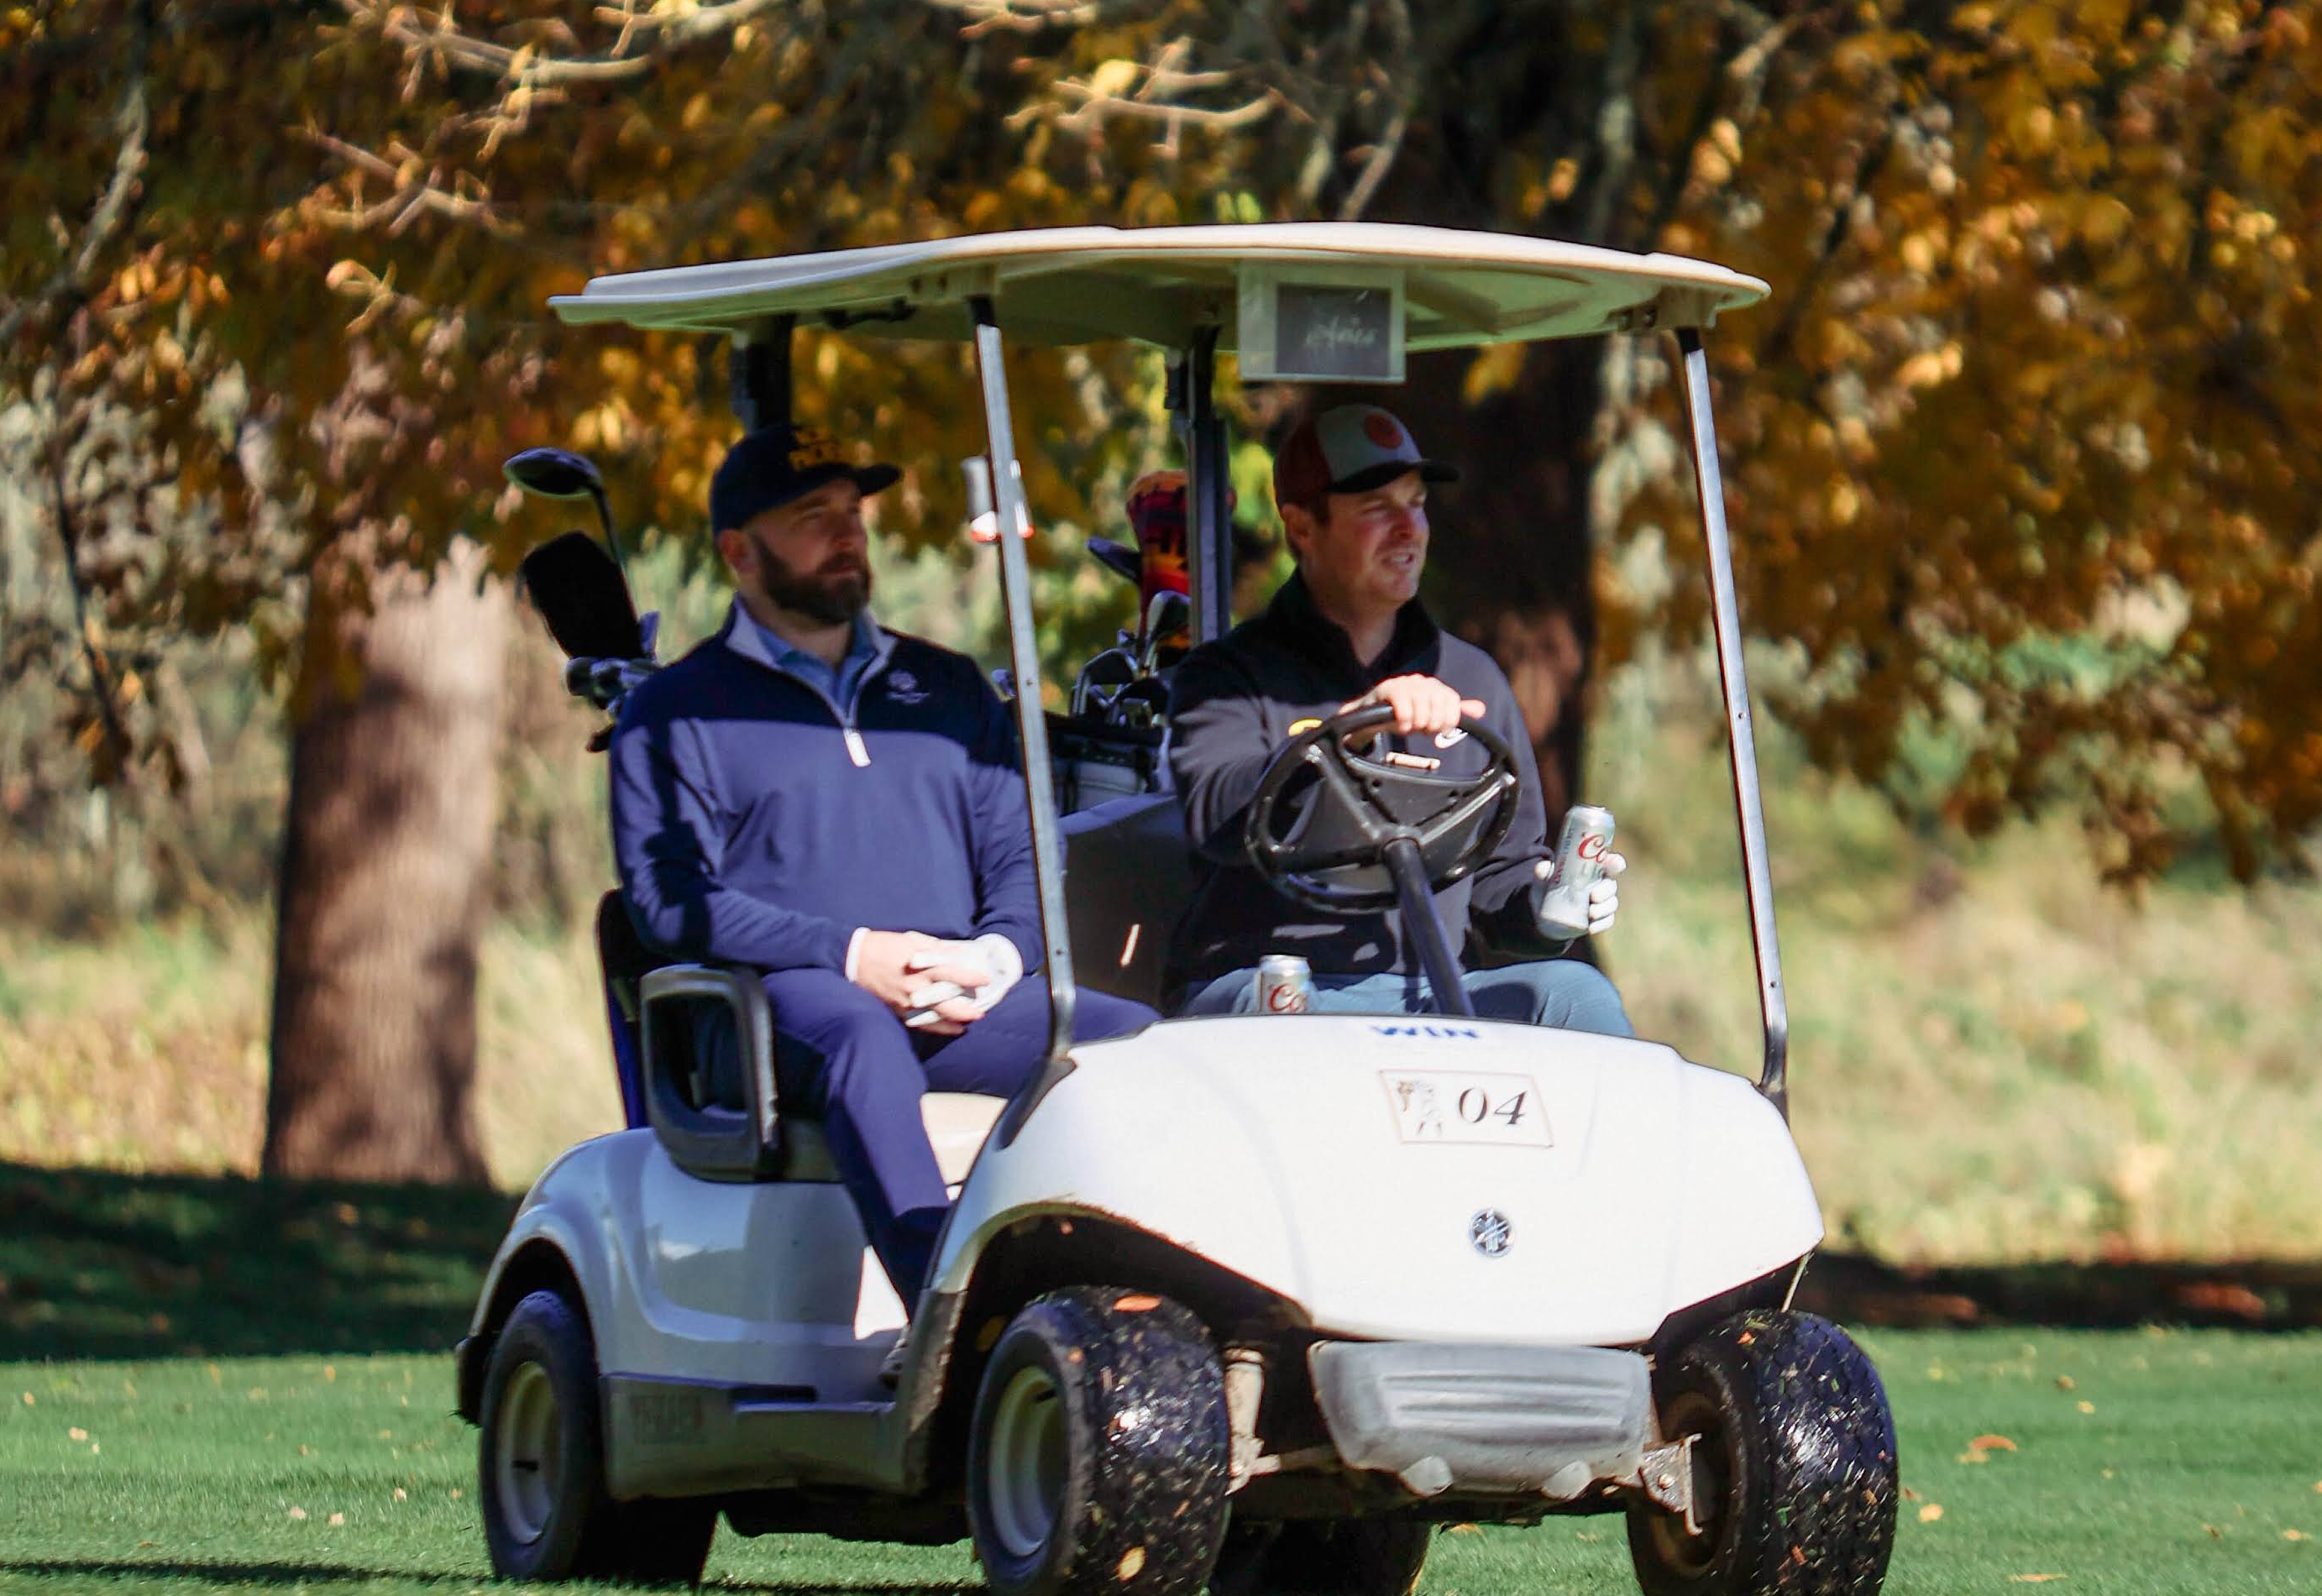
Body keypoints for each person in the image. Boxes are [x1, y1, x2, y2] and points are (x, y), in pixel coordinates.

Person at [607, 421, 1151, 1314]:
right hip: (779, 1003)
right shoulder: (676, 712)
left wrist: (1000, 957)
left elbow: (1022, 853)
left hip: (957, 993)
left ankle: (1139, 1294)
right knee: (860, 1036)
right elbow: (670, 901)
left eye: (851, 510)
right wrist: (854, 954)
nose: (845, 532)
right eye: (811, 514)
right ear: (738, 550)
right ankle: (953, 1317)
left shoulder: (945, 690)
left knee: (1136, 1042)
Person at [1163, 401, 1634, 1032]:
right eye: (1376, 509)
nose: (1408, 528)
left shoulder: (1471, 678)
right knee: (1274, 1007)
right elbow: (1216, 815)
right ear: (1301, 527)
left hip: (1429, 996)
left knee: (1576, 995)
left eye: (1415, 503)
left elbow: (1498, 882)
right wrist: (1348, 731)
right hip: (1271, 981)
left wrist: (1553, 907)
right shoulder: (1228, 675)